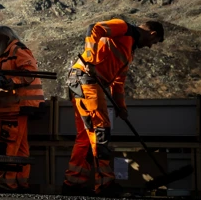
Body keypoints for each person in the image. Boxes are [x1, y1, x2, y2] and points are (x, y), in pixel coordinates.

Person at [62, 18, 164, 196]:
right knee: (101, 129)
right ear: (152, 33)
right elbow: (94, 29)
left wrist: (120, 106)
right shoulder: (123, 27)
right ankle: (104, 184)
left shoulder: (129, 50)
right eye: (153, 42)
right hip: (86, 79)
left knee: (87, 136)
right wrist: (91, 60)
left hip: (83, 81)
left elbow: (118, 83)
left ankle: (73, 183)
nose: (150, 46)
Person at [0, 26, 44, 192]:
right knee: (20, 147)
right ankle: (21, 182)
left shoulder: (18, 51)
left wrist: (13, 82)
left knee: (8, 143)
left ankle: (7, 183)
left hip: (16, 106)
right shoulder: (7, 54)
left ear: (4, 38)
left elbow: (30, 72)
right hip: (11, 106)